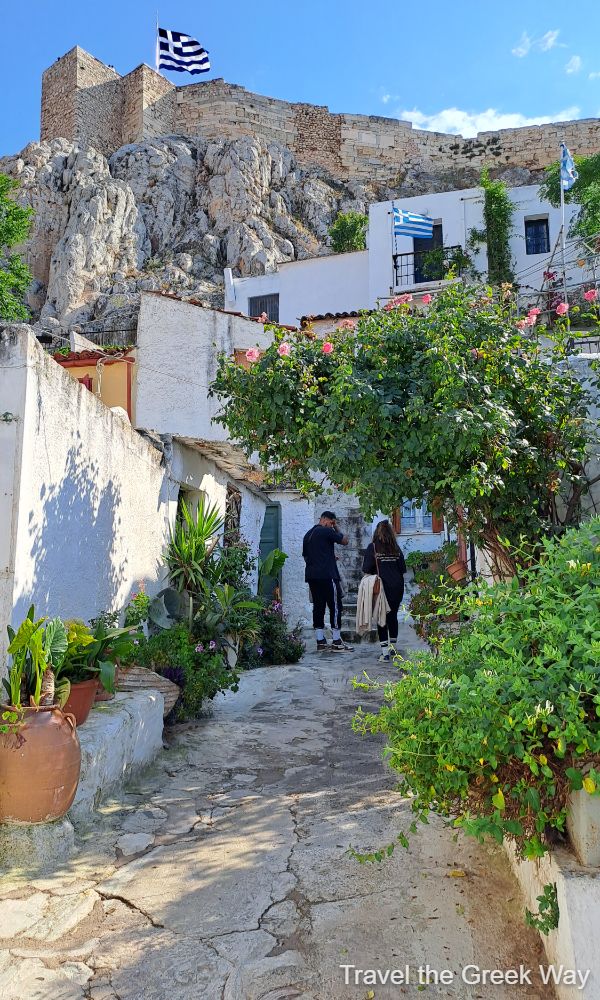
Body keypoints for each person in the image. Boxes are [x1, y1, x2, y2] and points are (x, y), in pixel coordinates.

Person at [302, 511, 354, 652]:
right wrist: (336, 527)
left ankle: (320, 641)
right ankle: (337, 641)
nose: (332, 525)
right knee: (335, 606)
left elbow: (306, 556)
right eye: (332, 522)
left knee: (318, 606)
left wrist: (328, 557)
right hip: (327, 575)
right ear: (325, 520)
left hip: (313, 576)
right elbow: (345, 541)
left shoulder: (308, 535)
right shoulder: (326, 531)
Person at [362, 519, 407, 662]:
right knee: (392, 616)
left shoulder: (373, 548)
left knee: (381, 618)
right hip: (397, 587)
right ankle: (393, 649)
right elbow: (403, 569)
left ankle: (385, 653)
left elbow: (366, 568)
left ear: (377, 532)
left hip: (381, 588)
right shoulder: (396, 548)